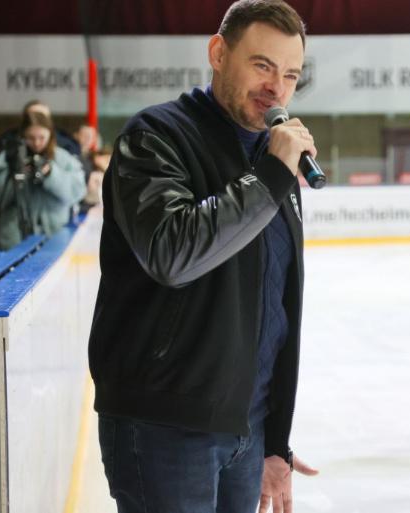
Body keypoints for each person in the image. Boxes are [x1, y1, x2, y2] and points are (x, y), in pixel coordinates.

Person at [87, 1, 319, 512]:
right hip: (165, 426)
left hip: (245, 427)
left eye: (290, 74)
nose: (277, 87)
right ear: (218, 53)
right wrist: (272, 176)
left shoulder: (272, 161)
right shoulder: (155, 137)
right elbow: (172, 252)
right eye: (262, 65)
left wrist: (273, 438)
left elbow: (275, 304)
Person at [0, 110, 85, 249]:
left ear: (50, 134)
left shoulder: (63, 159)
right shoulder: (6, 159)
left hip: (54, 238)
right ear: (22, 136)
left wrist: (51, 174)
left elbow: (78, 191)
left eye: (42, 137)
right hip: (14, 241)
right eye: (31, 138)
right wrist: (16, 175)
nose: (37, 143)